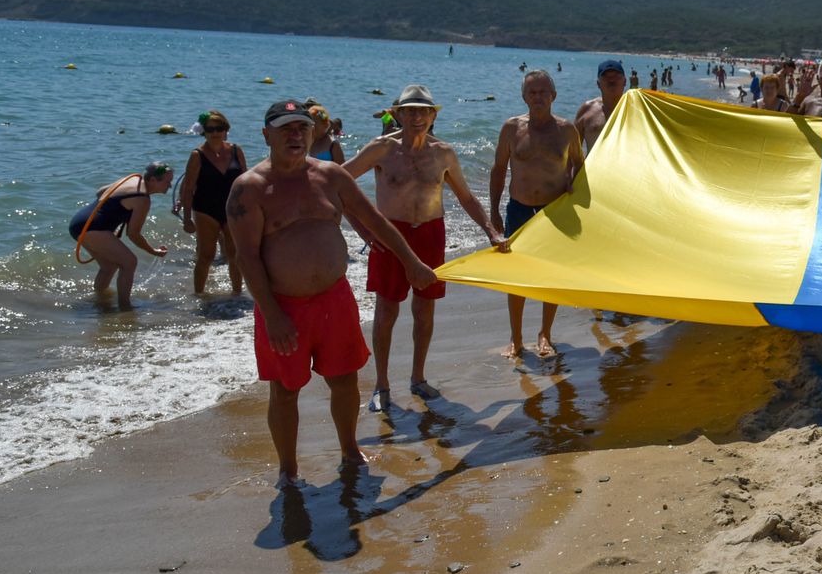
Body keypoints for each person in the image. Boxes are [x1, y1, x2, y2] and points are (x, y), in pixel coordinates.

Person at [229, 99, 438, 487]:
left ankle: (348, 449)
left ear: (313, 133)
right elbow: (247, 259)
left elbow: (376, 221)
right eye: (286, 129)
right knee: (286, 389)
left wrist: (411, 261)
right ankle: (289, 469)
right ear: (265, 135)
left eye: (302, 128)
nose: (296, 136)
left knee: (345, 379)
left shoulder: (330, 176)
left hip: (334, 299)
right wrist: (272, 315)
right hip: (284, 307)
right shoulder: (250, 189)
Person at [345, 85, 508, 411]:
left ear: (433, 115)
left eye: (424, 111)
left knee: (425, 310)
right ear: (398, 114)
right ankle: (382, 384)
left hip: (431, 234)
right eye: (410, 111)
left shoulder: (443, 153)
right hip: (391, 236)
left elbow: (466, 197)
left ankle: (418, 378)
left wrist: (491, 232)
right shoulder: (381, 150)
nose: (417, 117)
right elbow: (338, 180)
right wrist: (363, 228)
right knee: (387, 310)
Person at [491, 70, 585, 359]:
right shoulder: (511, 128)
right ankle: (516, 338)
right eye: (532, 92)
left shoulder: (567, 130)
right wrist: (493, 212)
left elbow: (580, 166)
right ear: (523, 97)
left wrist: (573, 186)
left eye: (544, 91)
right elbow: (498, 170)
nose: (538, 97)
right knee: (516, 276)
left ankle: (545, 333)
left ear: (554, 96)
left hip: (553, 211)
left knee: (549, 275)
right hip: (518, 208)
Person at [69, 162, 174, 310]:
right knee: (129, 262)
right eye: (167, 182)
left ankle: (100, 302)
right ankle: (125, 307)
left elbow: (100, 191)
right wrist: (153, 251)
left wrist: (114, 213)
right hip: (93, 228)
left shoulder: (133, 179)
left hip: (79, 223)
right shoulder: (142, 199)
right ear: (152, 180)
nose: (169, 186)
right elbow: (133, 234)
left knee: (109, 266)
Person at [176, 111, 246, 295]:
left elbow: (246, 183)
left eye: (219, 128)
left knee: (235, 255)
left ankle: (237, 295)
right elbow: (188, 188)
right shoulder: (197, 155)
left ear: (226, 130)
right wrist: (186, 218)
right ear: (203, 131)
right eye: (210, 129)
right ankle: (199, 295)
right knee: (206, 256)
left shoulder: (236, 150)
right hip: (205, 210)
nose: (215, 132)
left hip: (232, 210)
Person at [576, 59, 628, 153]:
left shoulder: (637, 109)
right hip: (593, 168)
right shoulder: (587, 110)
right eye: (605, 76)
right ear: (598, 84)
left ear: (625, 82)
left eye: (616, 76)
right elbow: (572, 152)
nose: (611, 79)